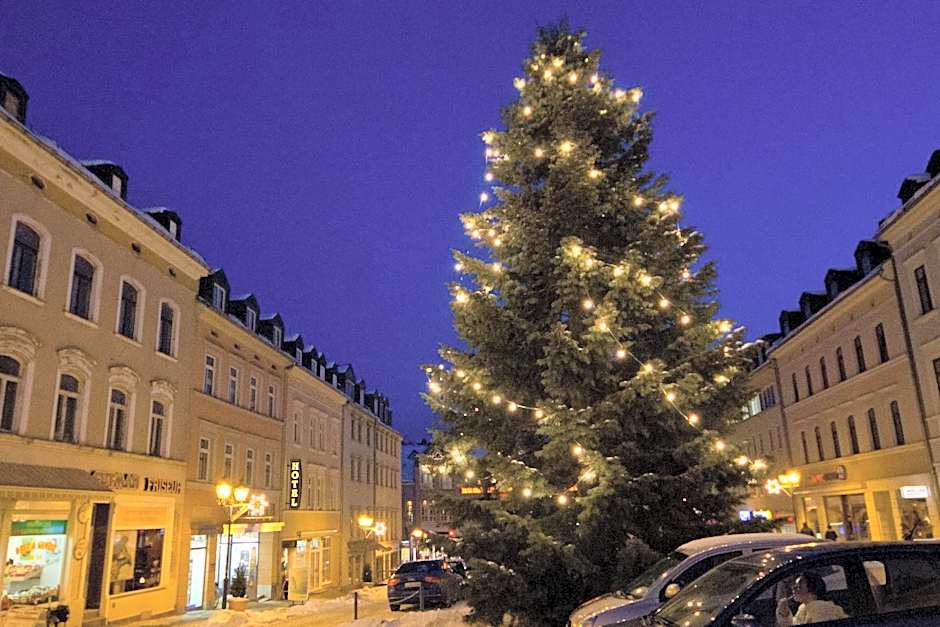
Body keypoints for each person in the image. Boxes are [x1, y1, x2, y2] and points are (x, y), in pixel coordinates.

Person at [776, 571, 847, 625]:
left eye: (799, 586)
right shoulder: (804, 607)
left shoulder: (821, 609)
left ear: (812, 590)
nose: (793, 588)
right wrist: (784, 613)